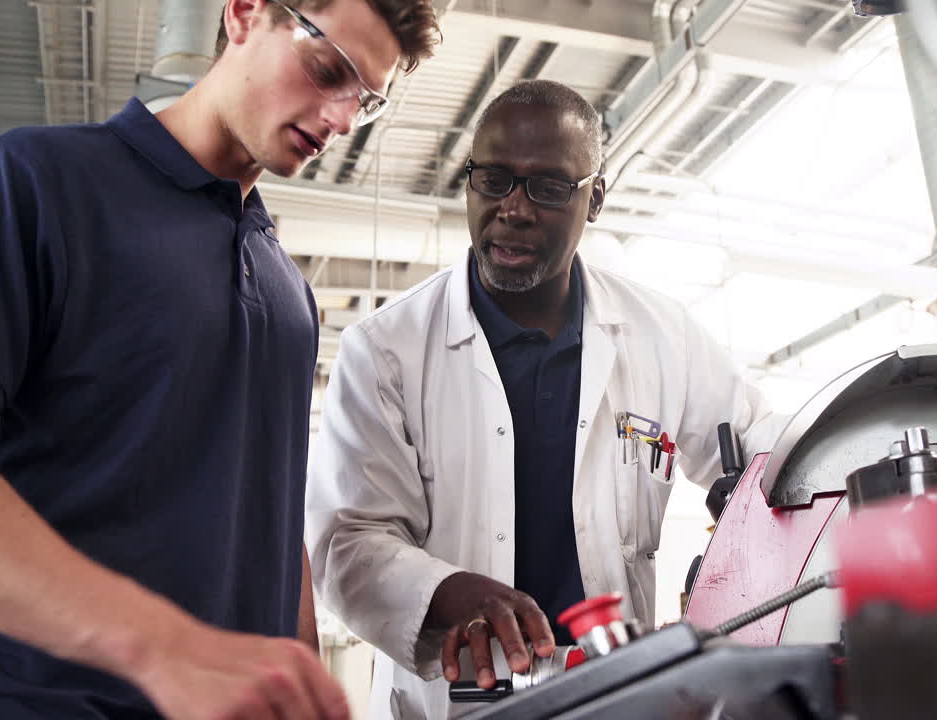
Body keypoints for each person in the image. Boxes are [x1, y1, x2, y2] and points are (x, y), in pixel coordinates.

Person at [0, 1, 439, 718]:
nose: (341, 119)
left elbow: (272, 520)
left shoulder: (290, 295)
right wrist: (158, 647)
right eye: (328, 70)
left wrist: (302, 679)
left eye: (366, 101)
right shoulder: (38, 182)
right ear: (242, 14)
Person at [306, 79, 785, 719]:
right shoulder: (387, 350)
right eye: (494, 179)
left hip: (616, 692)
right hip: (459, 702)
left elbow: (765, 446)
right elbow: (348, 539)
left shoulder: (662, 337)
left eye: (550, 187)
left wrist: (801, 492)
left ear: (595, 201)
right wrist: (446, 589)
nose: (515, 208)